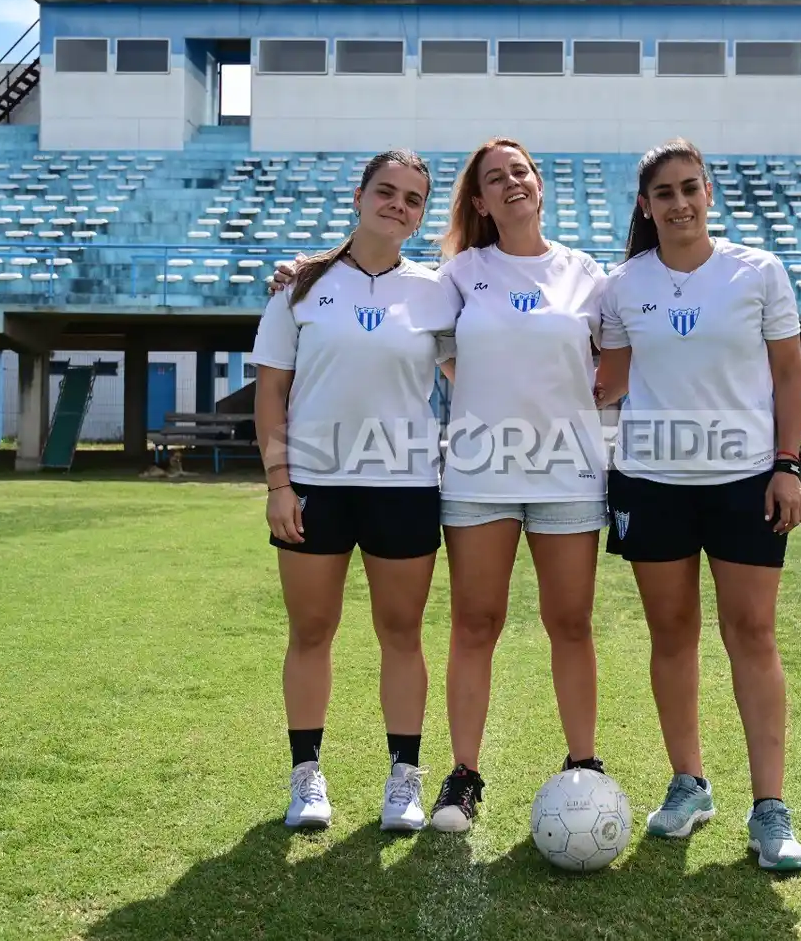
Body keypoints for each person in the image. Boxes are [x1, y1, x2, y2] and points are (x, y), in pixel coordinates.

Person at [593, 138, 801, 872]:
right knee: (672, 635)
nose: (679, 203)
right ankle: (689, 784)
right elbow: (608, 382)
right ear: (646, 206)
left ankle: (770, 808)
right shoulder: (624, 285)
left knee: (752, 635)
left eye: (691, 188)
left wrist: (787, 466)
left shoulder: (758, 271)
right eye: (664, 193)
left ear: (708, 192)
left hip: (746, 480)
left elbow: (788, 375)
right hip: (650, 483)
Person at [250, 149, 458, 833]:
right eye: (387, 192)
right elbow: (272, 391)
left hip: (403, 484)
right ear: (360, 195)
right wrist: (279, 483)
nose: (398, 206)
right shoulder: (301, 285)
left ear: (422, 214)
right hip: (314, 483)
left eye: (413, 199)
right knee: (312, 632)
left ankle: (404, 781)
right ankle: (306, 778)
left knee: (402, 634)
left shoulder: (435, 291)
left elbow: (472, 370)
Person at [426, 137, 611, 832]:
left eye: (521, 172)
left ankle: (584, 764)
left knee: (570, 623)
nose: (511, 184)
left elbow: (616, 361)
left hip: (568, 472)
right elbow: (441, 353)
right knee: (476, 624)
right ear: (478, 201)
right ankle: (464, 775)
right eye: (494, 179)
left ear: (539, 184)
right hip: (479, 473)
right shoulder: (459, 273)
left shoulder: (586, 273)